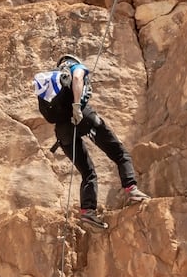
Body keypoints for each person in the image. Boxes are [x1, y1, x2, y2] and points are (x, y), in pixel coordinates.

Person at [33, 53, 149, 229]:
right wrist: (77, 107)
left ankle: (88, 212)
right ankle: (131, 190)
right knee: (119, 153)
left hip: (63, 131)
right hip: (83, 117)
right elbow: (78, 78)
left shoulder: (50, 84)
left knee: (88, 173)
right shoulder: (74, 68)